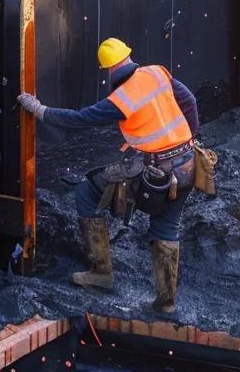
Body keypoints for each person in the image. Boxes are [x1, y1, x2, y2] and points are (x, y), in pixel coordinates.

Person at [16, 38, 199, 315]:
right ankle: (166, 303)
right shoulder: (156, 73)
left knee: (86, 193)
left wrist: (39, 109)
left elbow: (78, 119)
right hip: (188, 164)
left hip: (155, 169)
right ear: (128, 57)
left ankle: (101, 273)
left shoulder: (121, 99)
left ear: (108, 70)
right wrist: (188, 139)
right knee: (166, 227)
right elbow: (189, 101)